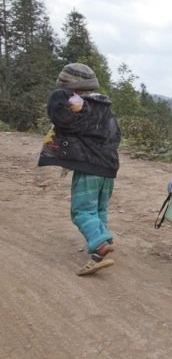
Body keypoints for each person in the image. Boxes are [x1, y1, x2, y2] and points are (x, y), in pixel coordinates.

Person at [38, 63, 121, 276]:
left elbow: (60, 115)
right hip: (109, 169)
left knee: (82, 211)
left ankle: (100, 246)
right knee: (99, 209)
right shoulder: (103, 106)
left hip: (90, 168)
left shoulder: (79, 106)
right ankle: (104, 238)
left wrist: (61, 93)